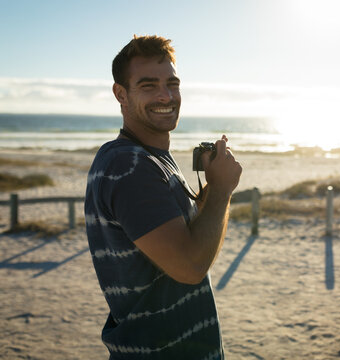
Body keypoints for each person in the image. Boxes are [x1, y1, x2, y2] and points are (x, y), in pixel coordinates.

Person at [84, 35, 242, 359]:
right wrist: (223, 190)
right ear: (121, 94)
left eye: (172, 83)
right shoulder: (127, 165)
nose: (166, 95)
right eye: (148, 85)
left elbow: (189, 238)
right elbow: (190, 266)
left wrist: (212, 184)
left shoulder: (150, 157)